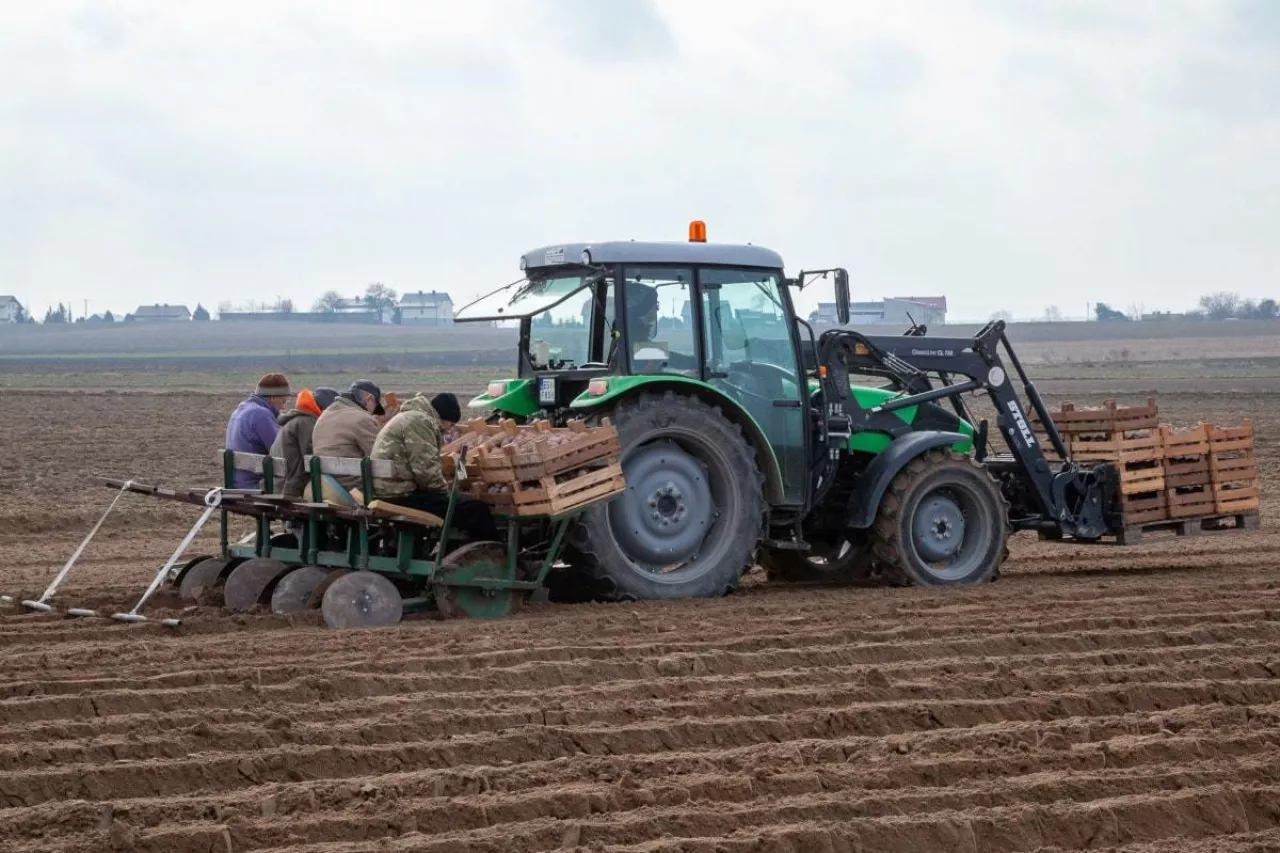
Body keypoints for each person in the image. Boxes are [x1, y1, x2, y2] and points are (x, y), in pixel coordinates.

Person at [371, 391, 500, 541]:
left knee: (462, 504)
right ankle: (493, 554)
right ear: (443, 418)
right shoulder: (420, 422)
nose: (448, 429)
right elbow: (425, 471)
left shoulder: (410, 416)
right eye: (451, 424)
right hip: (400, 494)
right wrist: (446, 491)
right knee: (476, 509)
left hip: (390, 488)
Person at [311, 379, 386, 492]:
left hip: (326, 484)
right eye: (375, 406)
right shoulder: (362, 419)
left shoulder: (326, 414)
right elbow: (380, 458)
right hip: (354, 487)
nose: (374, 412)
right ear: (369, 398)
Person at [225, 373, 292, 489]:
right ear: (272, 397)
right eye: (283, 401)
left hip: (235, 481)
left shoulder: (241, 410)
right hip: (254, 484)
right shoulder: (261, 415)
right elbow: (280, 451)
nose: (283, 408)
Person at [269, 386, 339, 497]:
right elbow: (312, 458)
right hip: (288, 488)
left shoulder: (297, 419)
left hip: (277, 483)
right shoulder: (307, 422)